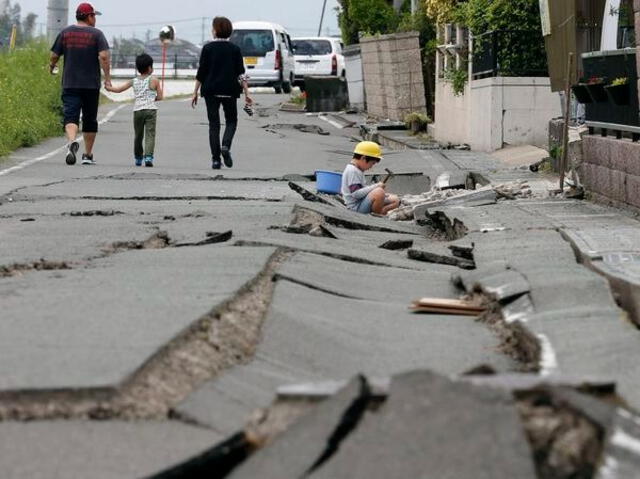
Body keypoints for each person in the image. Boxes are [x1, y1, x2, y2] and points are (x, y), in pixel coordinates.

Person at [49, 2, 111, 166]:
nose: (95, 19)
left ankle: (71, 143)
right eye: (94, 16)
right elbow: (104, 57)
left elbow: (54, 55)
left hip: (70, 84)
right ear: (89, 17)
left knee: (71, 117)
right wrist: (108, 79)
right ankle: (87, 155)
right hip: (91, 85)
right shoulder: (97, 35)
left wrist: (52, 66)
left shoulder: (65, 33)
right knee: (90, 119)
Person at [192, 16, 253, 169]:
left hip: (211, 90)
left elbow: (202, 72)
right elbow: (241, 73)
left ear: (216, 30)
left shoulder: (207, 49)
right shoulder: (235, 49)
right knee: (231, 121)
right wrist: (247, 93)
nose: (212, 30)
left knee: (214, 125)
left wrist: (195, 91)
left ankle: (215, 160)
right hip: (229, 90)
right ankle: (225, 145)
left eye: (213, 28)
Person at [105, 53, 163, 167]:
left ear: (138, 68)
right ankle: (148, 157)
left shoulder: (133, 81)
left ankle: (138, 158)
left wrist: (108, 88)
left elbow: (119, 90)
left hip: (137, 111)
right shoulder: (155, 80)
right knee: (150, 134)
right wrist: (152, 98)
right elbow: (160, 97)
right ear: (150, 68)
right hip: (151, 110)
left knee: (138, 135)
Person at [341, 141, 400, 215]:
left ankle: (381, 213)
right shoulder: (352, 171)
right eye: (372, 163)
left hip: (361, 202)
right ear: (363, 158)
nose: (371, 167)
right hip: (355, 208)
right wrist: (376, 186)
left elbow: (362, 190)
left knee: (395, 200)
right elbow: (356, 194)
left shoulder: (357, 170)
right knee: (379, 192)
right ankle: (376, 217)